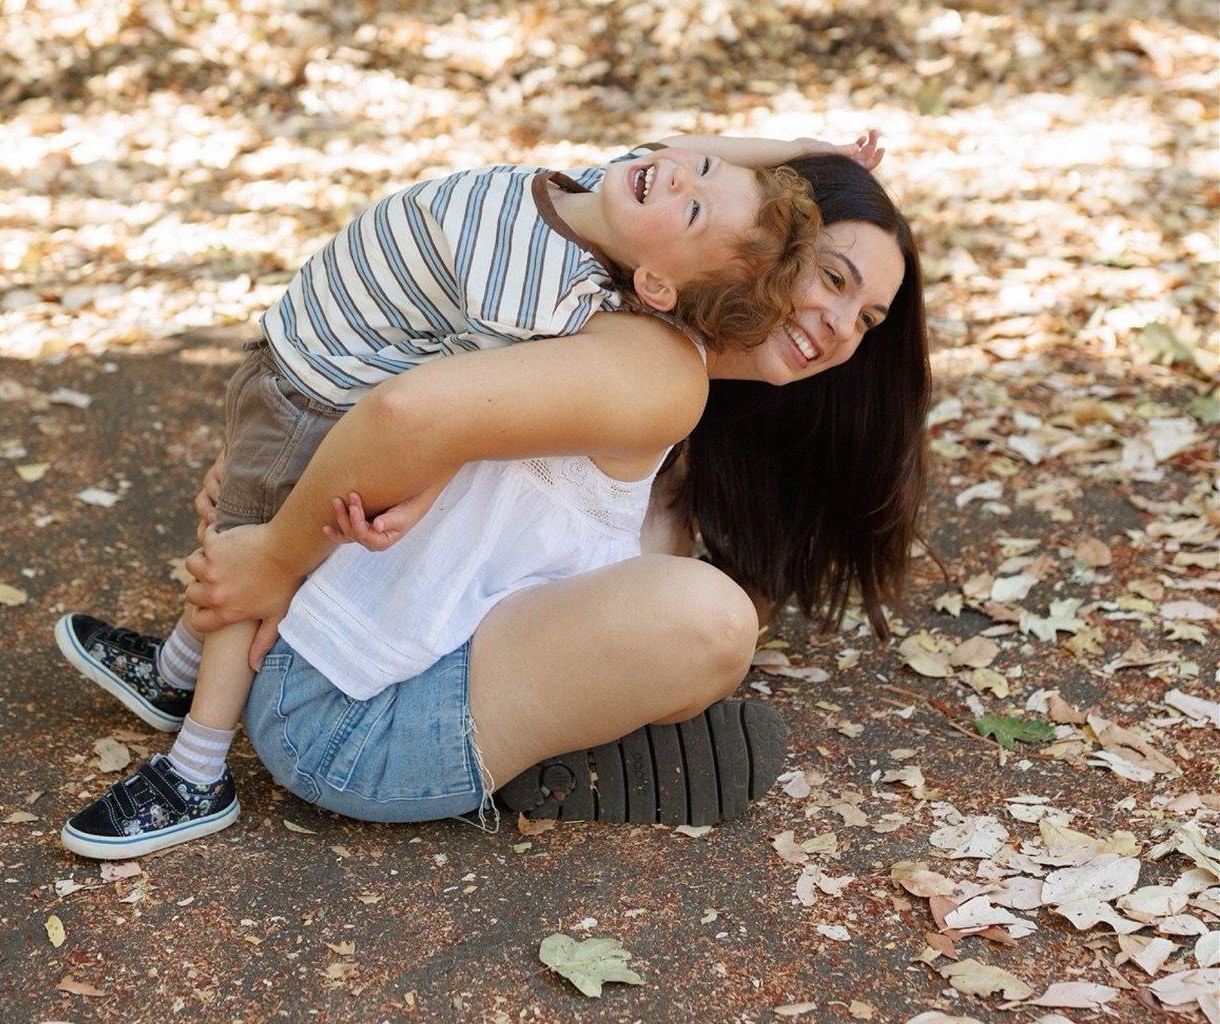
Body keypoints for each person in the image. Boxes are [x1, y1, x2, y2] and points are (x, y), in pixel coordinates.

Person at [54, 130, 861, 856]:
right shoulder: (595, 289)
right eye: (828, 274)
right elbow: (414, 411)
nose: (836, 319)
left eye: (870, 319)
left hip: (369, 593)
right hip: (343, 686)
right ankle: (196, 760)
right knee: (703, 621)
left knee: (693, 622)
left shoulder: (610, 297)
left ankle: (180, 671)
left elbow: (443, 416)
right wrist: (279, 546)